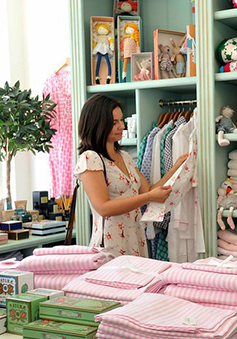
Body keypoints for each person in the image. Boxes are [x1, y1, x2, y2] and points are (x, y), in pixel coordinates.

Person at [75, 93, 188, 258]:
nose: (122, 126)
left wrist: (176, 168)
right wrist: (149, 196)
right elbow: (103, 207)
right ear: (98, 124)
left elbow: (148, 189)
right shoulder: (90, 158)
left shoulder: (124, 157)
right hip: (111, 244)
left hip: (134, 240)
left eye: (122, 120)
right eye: (114, 122)